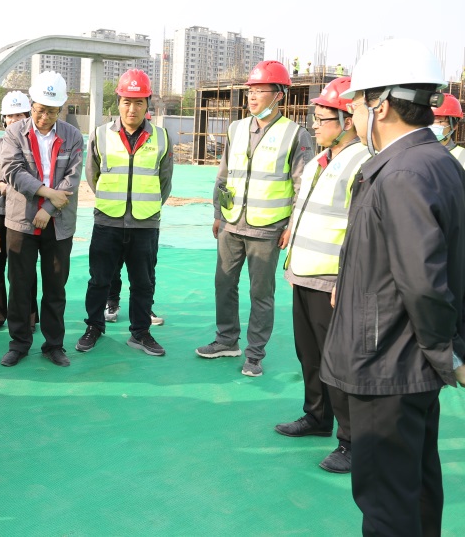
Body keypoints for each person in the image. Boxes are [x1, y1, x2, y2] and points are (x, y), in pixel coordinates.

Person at [322, 39, 465, 535]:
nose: (354, 116)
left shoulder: (401, 173)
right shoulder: (436, 161)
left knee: (387, 503)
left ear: (380, 105)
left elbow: (423, 282)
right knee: (416, 486)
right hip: (409, 365)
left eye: (357, 105)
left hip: (388, 363)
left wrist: (446, 352)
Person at [274, 76, 368, 474]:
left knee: (339, 363)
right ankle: (317, 416)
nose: (314, 125)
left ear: (346, 121)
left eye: (322, 118)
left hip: (332, 280)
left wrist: (345, 279)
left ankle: (352, 441)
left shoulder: (362, 163)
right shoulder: (318, 161)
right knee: (309, 354)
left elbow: (361, 229)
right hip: (304, 273)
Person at [198, 60, 314, 377]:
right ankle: (226, 340)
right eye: (251, 90)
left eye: (261, 90)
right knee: (224, 284)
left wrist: (292, 227)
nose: (252, 96)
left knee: (260, 294)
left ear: (279, 95)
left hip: (267, 229)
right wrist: (218, 213)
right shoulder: (236, 129)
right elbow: (224, 176)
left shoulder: (296, 135)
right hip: (231, 223)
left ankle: (254, 354)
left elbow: (302, 186)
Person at [77, 69, 171, 357]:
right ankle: (94, 327)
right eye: (127, 102)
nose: (132, 109)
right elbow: (92, 175)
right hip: (108, 221)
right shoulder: (100, 134)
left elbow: (165, 181)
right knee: (99, 280)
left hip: (145, 224)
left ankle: (140, 332)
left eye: (139, 102)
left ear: (147, 104)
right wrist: (112, 202)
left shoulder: (161, 137)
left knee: (143, 282)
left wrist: (146, 206)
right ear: (118, 102)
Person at [0, 73, 83, 367]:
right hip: (21, 220)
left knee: (55, 287)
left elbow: (72, 179)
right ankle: (19, 343)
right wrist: (47, 193)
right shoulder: (14, 133)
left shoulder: (73, 135)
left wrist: (48, 209)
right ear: (31, 104)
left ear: (61, 109)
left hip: (58, 223)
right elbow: (12, 170)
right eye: (40, 110)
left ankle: (54, 345)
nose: (44, 117)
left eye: (52, 112)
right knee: (20, 285)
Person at [0, 91, 37, 332]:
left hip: (24, 213)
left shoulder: (33, 147)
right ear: (3, 119)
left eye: (20, 115)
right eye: (10, 116)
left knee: (23, 268)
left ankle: (28, 316)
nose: (14, 120)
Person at [430, 93, 465, 166]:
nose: (431, 125)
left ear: (454, 126)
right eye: (428, 121)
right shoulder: (412, 153)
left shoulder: (462, 157)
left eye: (438, 121)